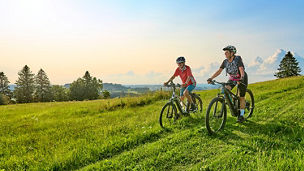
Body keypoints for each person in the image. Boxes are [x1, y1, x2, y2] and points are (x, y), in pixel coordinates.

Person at [207, 45, 248, 122]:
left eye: (227, 52)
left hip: (241, 78)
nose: (225, 54)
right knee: (226, 89)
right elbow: (219, 71)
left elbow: (241, 69)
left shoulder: (237, 59)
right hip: (232, 78)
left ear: (232, 53)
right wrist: (211, 78)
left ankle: (241, 115)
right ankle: (233, 105)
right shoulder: (225, 61)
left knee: (241, 97)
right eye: (225, 52)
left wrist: (242, 78)